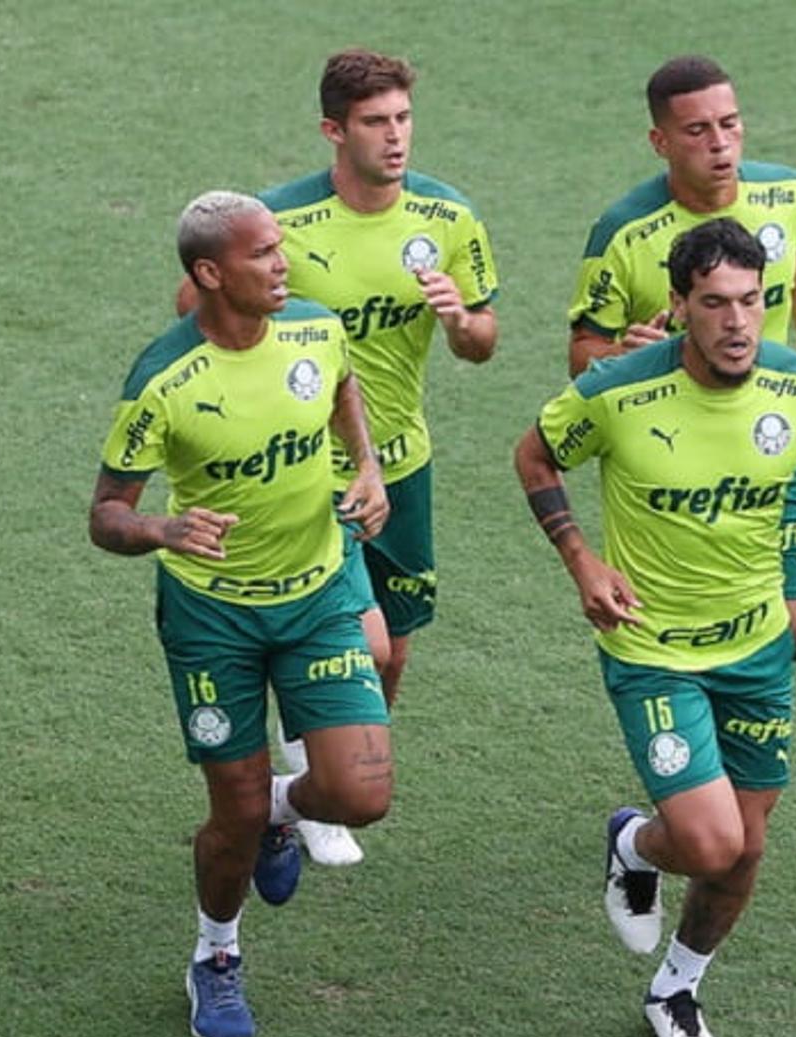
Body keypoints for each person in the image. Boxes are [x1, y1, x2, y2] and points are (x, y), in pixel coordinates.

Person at [516, 220, 796, 1037]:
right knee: (713, 842)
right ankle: (637, 844)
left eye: (751, 302)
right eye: (714, 304)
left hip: (755, 649)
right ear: (679, 306)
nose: (736, 322)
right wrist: (582, 560)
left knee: (742, 849)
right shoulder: (616, 390)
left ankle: (676, 985)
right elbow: (535, 457)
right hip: (651, 648)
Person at [178, 48, 499, 867]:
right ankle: (305, 765)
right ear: (333, 130)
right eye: (374, 123)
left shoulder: (448, 219)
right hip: (309, 473)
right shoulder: (278, 220)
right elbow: (196, 309)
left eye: (403, 119)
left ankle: (312, 786)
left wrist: (461, 322)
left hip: (403, 463)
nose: (395, 138)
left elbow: (483, 344)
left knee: (399, 640)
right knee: (371, 641)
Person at [92, 191, 394, 1037]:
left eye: (281, 248)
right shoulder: (163, 377)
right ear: (209, 273)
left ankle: (276, 809)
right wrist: (163, 528)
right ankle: (216, 956)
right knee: (228, 822)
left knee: (361, 794)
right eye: (262, 254)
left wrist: (365, 467)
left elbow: (343, 387)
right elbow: (106, 514)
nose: (282, 264)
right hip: (213, 618)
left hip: (318, 596)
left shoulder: (315, 329)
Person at [567, 55, 796, 662]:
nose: (721, 145)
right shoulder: (623, 234)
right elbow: (581, 353)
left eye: (730, 124)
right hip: (676, 446)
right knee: (704, 626)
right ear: (660, 142)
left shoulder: (785, 192)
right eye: (698, 131)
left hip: (772, 427)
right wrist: (620, 353)